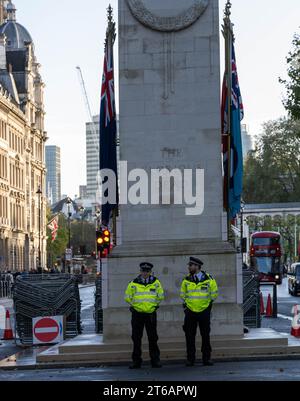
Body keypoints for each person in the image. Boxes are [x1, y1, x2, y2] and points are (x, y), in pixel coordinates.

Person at [124, 262, 164, 369]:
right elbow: (127, 297)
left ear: (150, 272)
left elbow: (160, 296)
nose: (145, 273)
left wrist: (154, 306)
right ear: (140, 271)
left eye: (147, 271)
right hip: (137, 314)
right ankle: (136, 361)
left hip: (150, 314)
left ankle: (155, 360)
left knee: (153, 338)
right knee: (136, 338)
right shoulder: (133, 283)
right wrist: (134, 306)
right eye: (143, 271)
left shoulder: (156, 283)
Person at [180, 257, 218, 367]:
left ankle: (206, 358)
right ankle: (190, 359)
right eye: (189, 265)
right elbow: (183, 294)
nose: (189, 267)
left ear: (197, 267)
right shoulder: (186, 280)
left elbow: (214, 294)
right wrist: (186, 308)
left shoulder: (209, 279)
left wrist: (207, 306)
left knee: (205, 336)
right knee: (189, 336)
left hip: (204, 311)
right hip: (190, 312)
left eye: (191, 265)